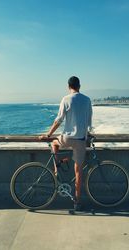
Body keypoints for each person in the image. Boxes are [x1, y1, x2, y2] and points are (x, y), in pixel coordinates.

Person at [39, 76, 92, 210]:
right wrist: (88, 134)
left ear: (69, 87)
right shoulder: (87, 100)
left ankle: (57, 169)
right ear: (79, 86)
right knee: (78, 172)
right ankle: (77, 202)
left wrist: (48, 134)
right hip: (81, 140)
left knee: (54, 144)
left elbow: (59, 120)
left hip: (67, 139)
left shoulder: (66, 99)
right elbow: (89, 121)